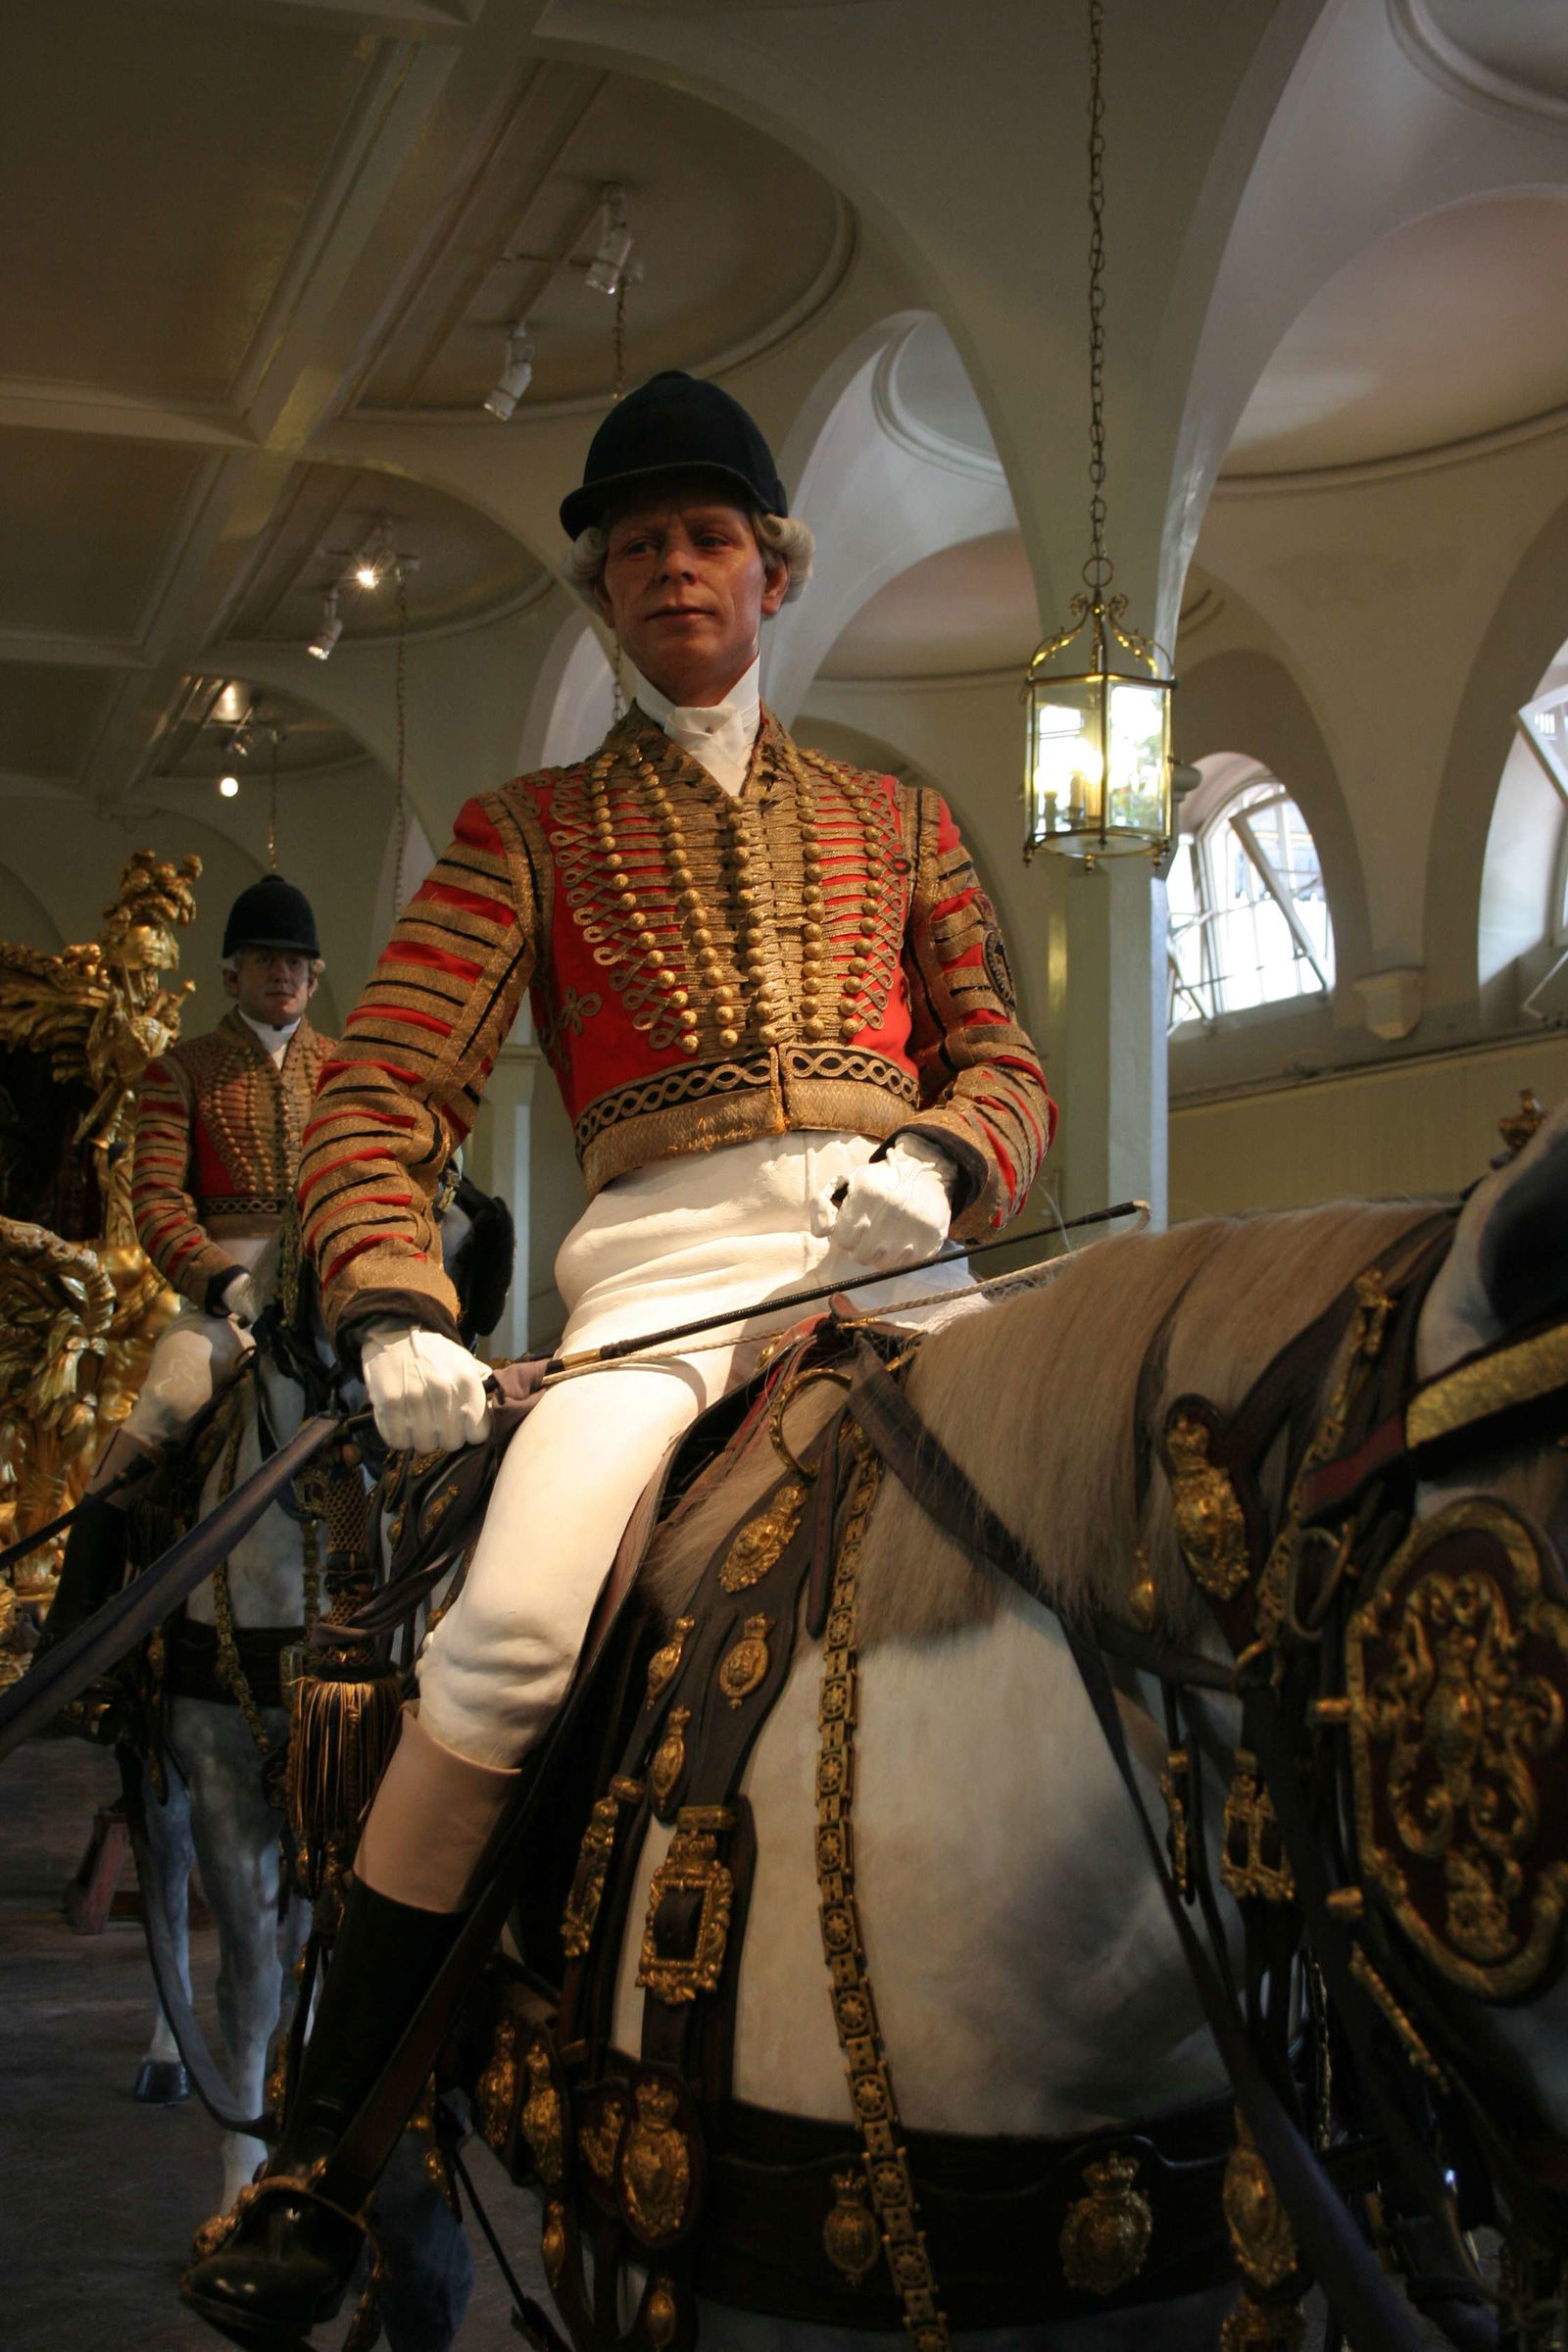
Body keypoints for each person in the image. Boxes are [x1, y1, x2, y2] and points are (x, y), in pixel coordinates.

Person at [182, 372, 1054, 2341]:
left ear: (770, 575)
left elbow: (999, 1052)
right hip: (664, 1271)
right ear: (603, 588)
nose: (678, 564)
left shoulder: (896, 817)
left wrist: (939, 1152)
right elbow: (382, 1086)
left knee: (1102, 1553)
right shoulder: (528, 831)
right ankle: (328, 2152)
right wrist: (396, 1302)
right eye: (641, 540)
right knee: (498, 1642)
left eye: (710, 536)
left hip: (895, 1252)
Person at [40, 878, 332, 1652]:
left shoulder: (344, 1074)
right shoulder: (181, 1070)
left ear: (317, 975)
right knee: (162, 1407)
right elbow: (158, 1200)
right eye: (265, 960)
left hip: (329, 1296)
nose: (282, 975)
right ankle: (80, 1638)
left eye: (296, 962)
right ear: (232, 974)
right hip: (224, 1303)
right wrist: (228, 1285)